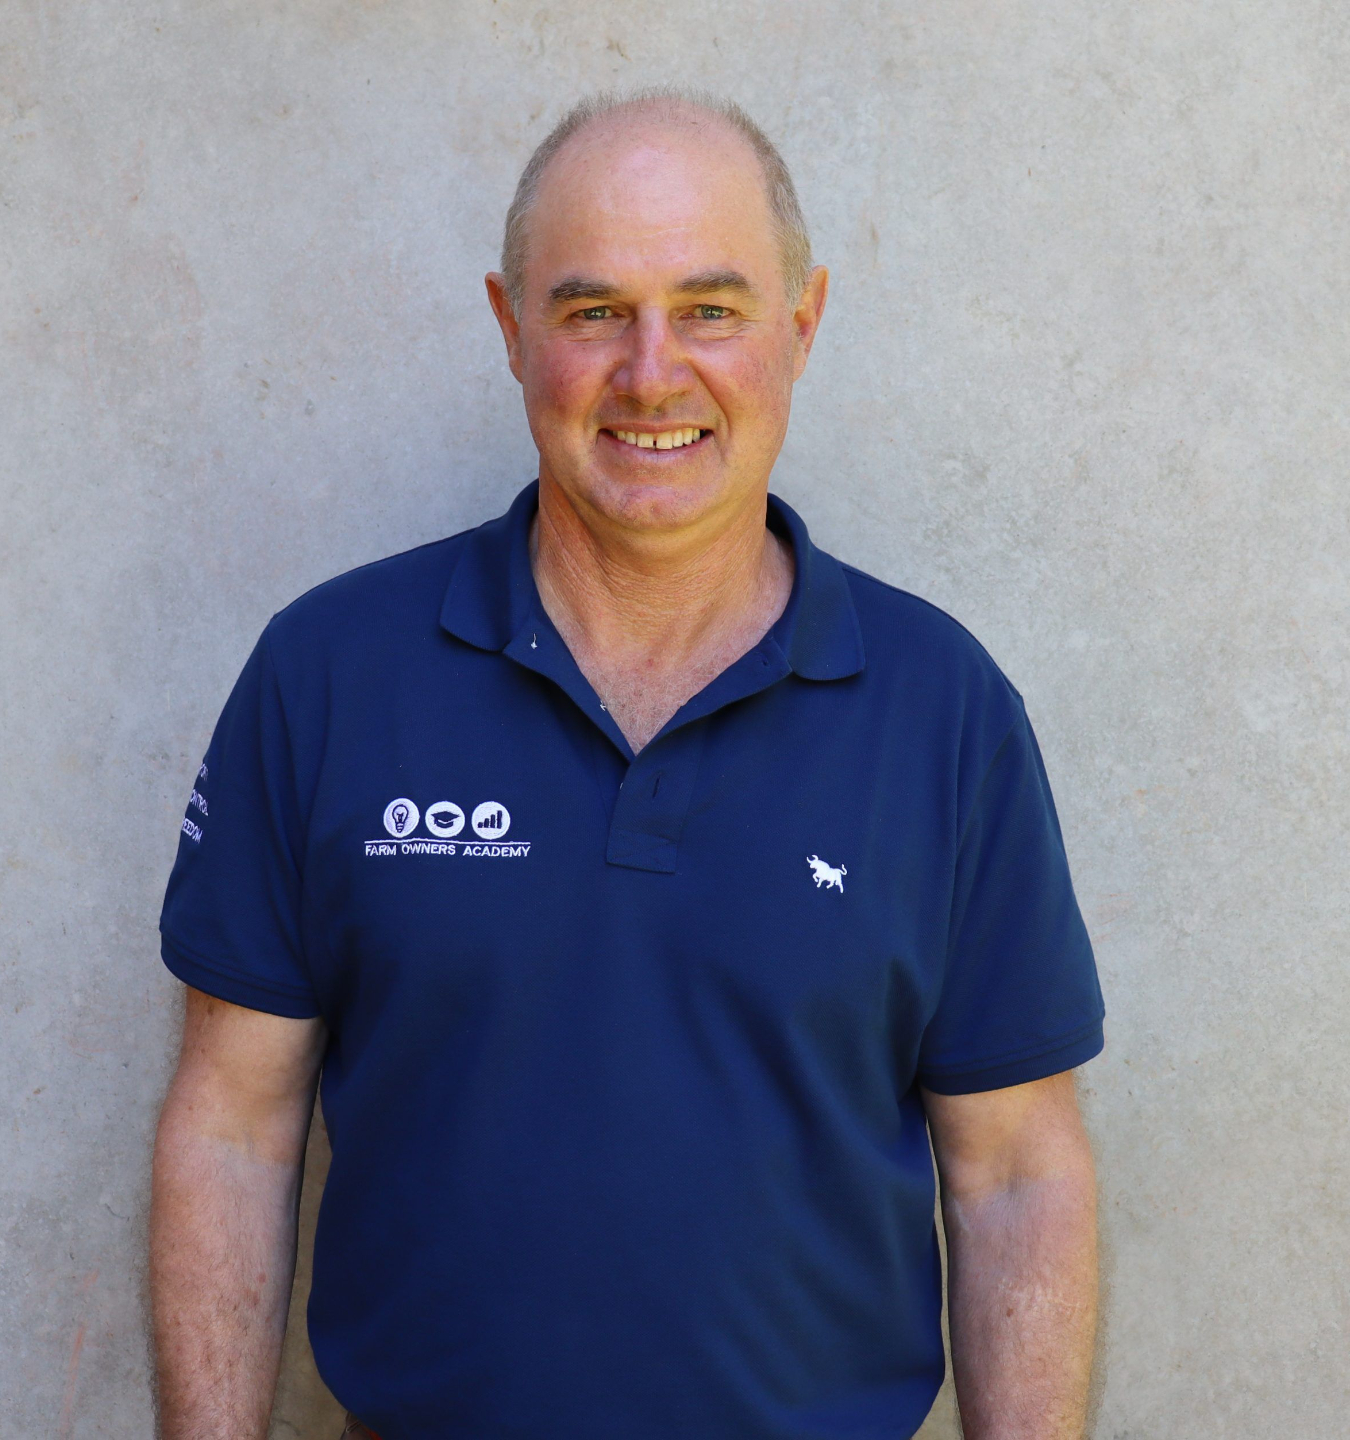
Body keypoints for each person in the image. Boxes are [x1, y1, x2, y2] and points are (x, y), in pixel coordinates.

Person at [149, 87, 1106, 1440]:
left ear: (802, 325)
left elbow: (1016, 1174)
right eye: (595, 310)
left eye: (711, 308)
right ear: (511, 328)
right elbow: (232, 1130)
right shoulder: (330, 675)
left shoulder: (943, 711)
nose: (653, 373)